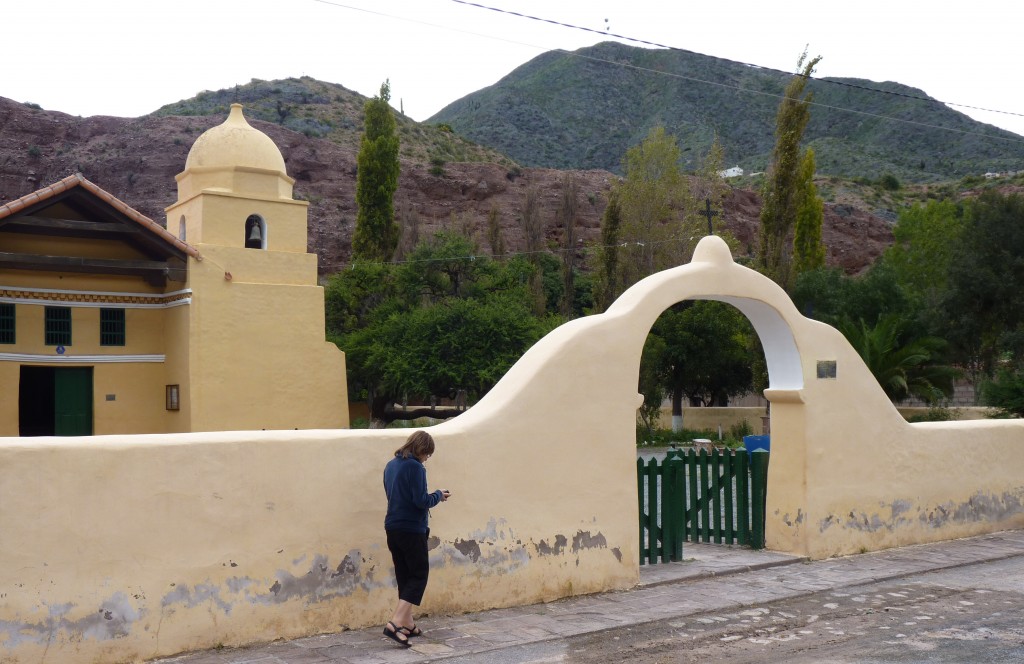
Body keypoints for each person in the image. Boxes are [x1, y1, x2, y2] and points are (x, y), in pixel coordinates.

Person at [382, 430, 451, 647]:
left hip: (392, 527)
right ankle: (394, 623)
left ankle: (408, 623)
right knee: (419, 575)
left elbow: (392, 495)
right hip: (412, 529)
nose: (426, 458)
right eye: (427, 454)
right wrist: (439, 495)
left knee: (405, 576)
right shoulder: (415, 467)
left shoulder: (390, 465)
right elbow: (421, 501)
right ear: (421, 449)